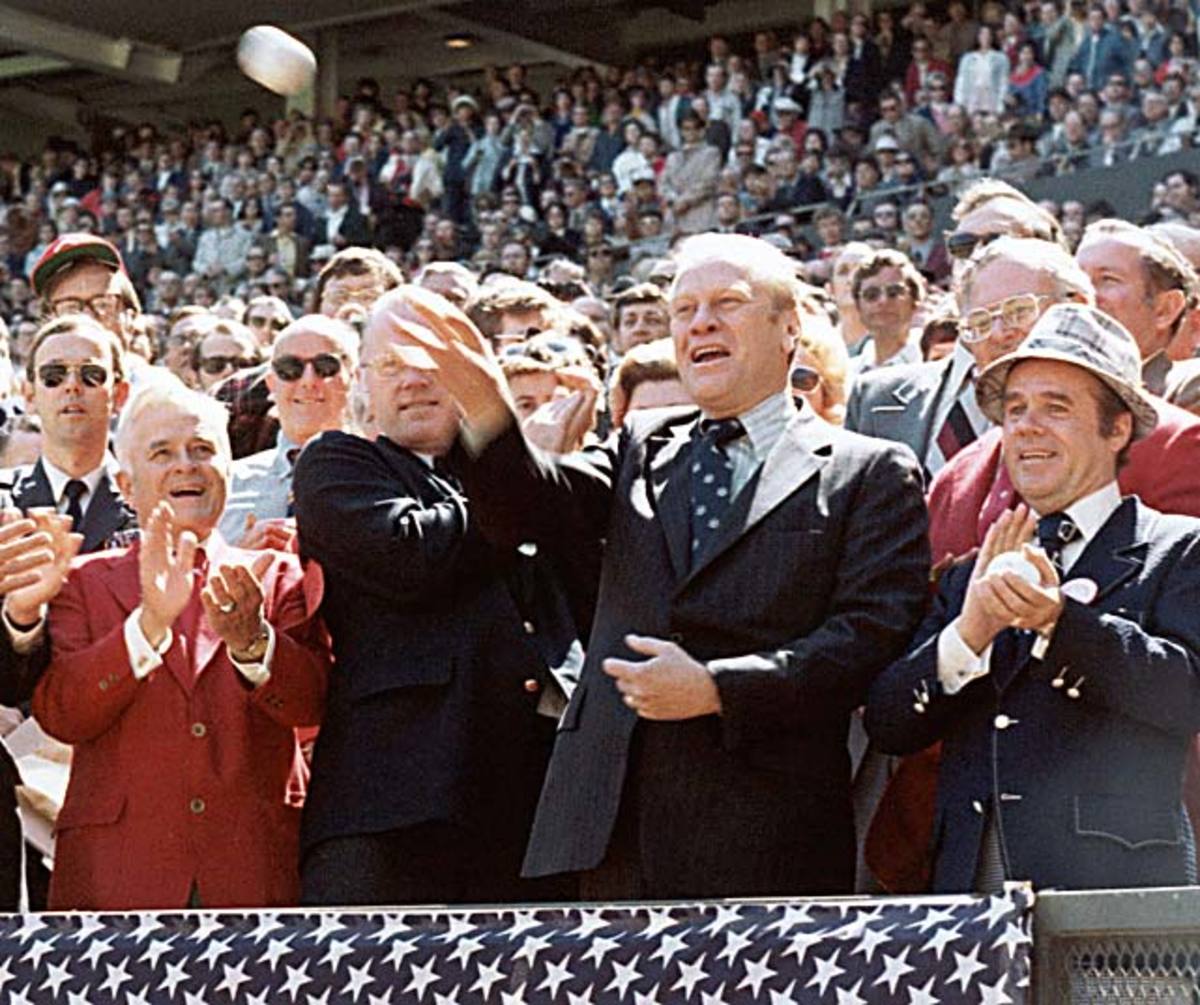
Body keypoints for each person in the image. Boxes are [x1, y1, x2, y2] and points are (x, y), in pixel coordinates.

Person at [407, 233, 930, 899]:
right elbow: (533, 507)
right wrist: (486, 410)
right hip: (616, 828)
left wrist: (719, 688)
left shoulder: (868, 471)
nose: (700, 323)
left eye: (727, 303)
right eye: (684, 310)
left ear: (789, 328)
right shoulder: (641, 444)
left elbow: (867, 636)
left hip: (768, 833)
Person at [867, 304, 1200, 891]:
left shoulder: (1178, 548)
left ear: (1118, 428)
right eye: (1015, 409)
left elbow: (1187, 697)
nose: (1025, 426)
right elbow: (889, 724)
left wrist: (1060, 623)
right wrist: (968, 633)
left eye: (1056, 407)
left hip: (1118, 903)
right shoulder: (971, 574)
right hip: (972, 902)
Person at [292, 287, 581, 906]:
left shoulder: (536, 477)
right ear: (363, 383)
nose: (415, 379)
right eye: (392, 364)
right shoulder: (336, 462)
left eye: (435, 360)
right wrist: (513, 478)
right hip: (392, 807)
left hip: (531, 800)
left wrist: (517, 467)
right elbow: (412, 555)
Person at [30, 379, 329, 909]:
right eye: (162, 453)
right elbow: (62, 714)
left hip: (253, 868)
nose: (186, 466)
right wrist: (147, 626)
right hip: (118, 876)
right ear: (126, 485)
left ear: (230, 471)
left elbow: (312, 704)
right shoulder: (82, 581)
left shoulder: (278, 575)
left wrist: (254, 644)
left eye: (202, 449)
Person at [847, 237, 1091, 478]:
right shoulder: (874, 398)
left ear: (1075, 306)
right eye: (981, 321)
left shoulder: (1099, 414)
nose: (998, 333)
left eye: (1019, 311)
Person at [218, 316, 356, 548]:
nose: (308, 381)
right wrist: (240, 557)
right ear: (271, 383)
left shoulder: (384, 475)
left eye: (325, 367)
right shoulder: (227, 486)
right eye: (290, 369)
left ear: (352, 377)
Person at [848, 249, 924, 375]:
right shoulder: (849, 372)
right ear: (858, 306)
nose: (883, 301)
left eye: (894, 292)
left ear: (915, 300)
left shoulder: (931, 361)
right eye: (871, 295)